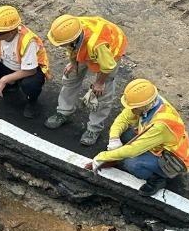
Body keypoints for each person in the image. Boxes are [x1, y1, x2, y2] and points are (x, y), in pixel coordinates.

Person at [90, 79, 189, 195]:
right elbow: (123, 119)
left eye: (134, 108)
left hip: (171, 158)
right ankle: (143, 159)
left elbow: (133, 150)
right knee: (123, 134)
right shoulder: (148, 101)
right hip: (156, 143)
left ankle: (158, 178)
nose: (131, 110)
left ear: (144, 106)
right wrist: (114, 139)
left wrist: (103, 156)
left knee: (131, 163)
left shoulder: (161, 125)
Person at [43, 14, 127, 146]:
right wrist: (73, 61)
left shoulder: (96, 45)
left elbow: (108, 66)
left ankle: (94, 129)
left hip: (109, 54)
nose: (59, 46)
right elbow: (72, 47)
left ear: (73, 39)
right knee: (70, 76)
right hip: (87, 47)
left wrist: (99, 82)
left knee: (102, 94)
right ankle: (64, 111)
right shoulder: (71, 28)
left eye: (61, 44)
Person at [0, 5, 49, 118]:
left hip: (27, 71)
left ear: (11, 32)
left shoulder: (28, 41)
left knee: (31, 85)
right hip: (5, 63)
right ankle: (11, 86)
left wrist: (4, 79)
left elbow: (30, 70)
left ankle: (32, 101)